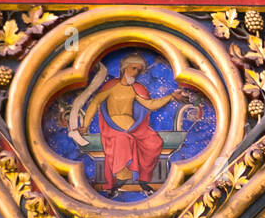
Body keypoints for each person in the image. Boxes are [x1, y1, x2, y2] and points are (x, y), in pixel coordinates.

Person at [72, 53, 191, 195]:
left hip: (132, 126)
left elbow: (150, 105)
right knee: (123, 141)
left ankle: (142, 179)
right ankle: (120, 181)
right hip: (113, 126)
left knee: (154, 142)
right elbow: (95, 102)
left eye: (138, 71)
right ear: (124, 68)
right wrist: (85, 126)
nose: (135, 73)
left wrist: (171, 96)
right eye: (133, 68)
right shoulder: (111, 86)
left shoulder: (136, 88)